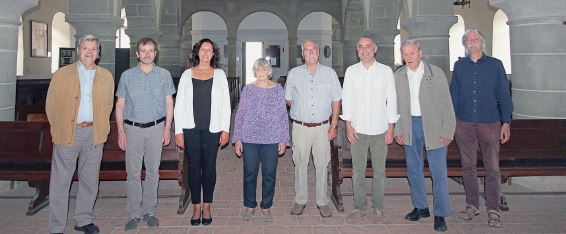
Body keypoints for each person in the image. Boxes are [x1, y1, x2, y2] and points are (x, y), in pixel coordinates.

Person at [46, 34, 114, 234]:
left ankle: (83, 220)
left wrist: (102, 128)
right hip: (69, 132)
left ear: (98, 52)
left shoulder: (106, 76)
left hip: (94, 133)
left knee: (90, 180)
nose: (89, 52)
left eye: (93, 49)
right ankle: (56, 226)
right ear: (78, 50)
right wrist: (59, 129)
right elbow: (51, 105)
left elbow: (108, 105)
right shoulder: (62, 74)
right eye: (85, 48)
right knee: (60, 182)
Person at [451, 29, 513, 228]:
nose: (472, 42)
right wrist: (452, 121)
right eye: (468, 40)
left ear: (482, 42)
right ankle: (472, 205)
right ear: (465, 44)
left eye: (475, 39)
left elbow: (504, 94)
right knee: (468, 167)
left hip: (490, 122)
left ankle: (493, 208)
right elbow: (455, 95)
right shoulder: (459, 66)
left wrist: (506, 121)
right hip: (465, 122)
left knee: (492, 168)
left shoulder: (495, 65)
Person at [394, 40, 455, 232]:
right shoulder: (398, 76)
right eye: (405, 54)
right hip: (409, 126)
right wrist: (398, 129)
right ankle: (421, 207)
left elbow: (447, 104)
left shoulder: (435, 73)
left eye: (412, 53)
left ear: (420, 53)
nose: (409, 57)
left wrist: (448, 131)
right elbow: (393, 106)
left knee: (438, 173)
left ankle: (440, 213)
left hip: (433, 127)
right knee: (414, 169)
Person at [115, 37, 175, 231]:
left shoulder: (164, 75)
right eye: (143, 50)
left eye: (151, 50)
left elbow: (169, 104)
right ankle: (134, 213)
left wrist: (167, 129)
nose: (147, 54)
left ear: (155, 53)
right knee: (132, 173)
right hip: (132, 129)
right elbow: (120, 105)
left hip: (156, 128)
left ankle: (149, 210)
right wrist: (120, 131)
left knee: (152, 173)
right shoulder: (127, 76)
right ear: (137, 53)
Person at [340, 36, 398, 223]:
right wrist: (348, 126)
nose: (364, 50)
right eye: (360, 47)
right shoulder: (351, 71)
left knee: (379, 170)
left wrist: (391, 128)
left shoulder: (385, 71)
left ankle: (378, 206)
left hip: (380, 129)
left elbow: (392, 100)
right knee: (358, 170)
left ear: (375, 49)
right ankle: (360, 206)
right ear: (357, 50)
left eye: (368, 47)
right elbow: (347, 100)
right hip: (357, 129)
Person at [174, 38, 231, 226]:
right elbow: (179, 104)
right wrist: (178, 131)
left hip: (212, 128)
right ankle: (196, 206)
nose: (206, 53)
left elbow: (226, 105)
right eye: (202, 49)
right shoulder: (186, 75)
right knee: (193, 168)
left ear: (213, 54)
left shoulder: (220, 75)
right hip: (190, 128)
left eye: (209, 50)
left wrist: (225, 129)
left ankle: (207, 205)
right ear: (197, 53)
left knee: (209, 167)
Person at [285, 39, 342, 218]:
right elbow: (288, 99)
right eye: (307, 50)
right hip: (301, 127)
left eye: (313, 49)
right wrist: (301, 108)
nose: (310, 53)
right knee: (300, 162)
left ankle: (322, 201)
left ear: (318, 52)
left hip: (323, 127)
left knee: (322, 163)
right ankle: (300, 200)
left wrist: (333, 125)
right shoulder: (293, 73)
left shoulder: (330, 73)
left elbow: (336, 101)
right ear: (302, 54)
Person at [232, 58, 290, 223]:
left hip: (272, 138)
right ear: (255, 72)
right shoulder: (248, 89)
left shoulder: (278, 89)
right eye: (258, 70)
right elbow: (240, 114)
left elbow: (282, 115)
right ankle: (249, 205)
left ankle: (266, 206)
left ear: (269, 71)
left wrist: (283, 139)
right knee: (250, 173)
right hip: (249, 138)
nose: (261, 73)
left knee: (269, 174)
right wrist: (237, 138)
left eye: (264, 69)